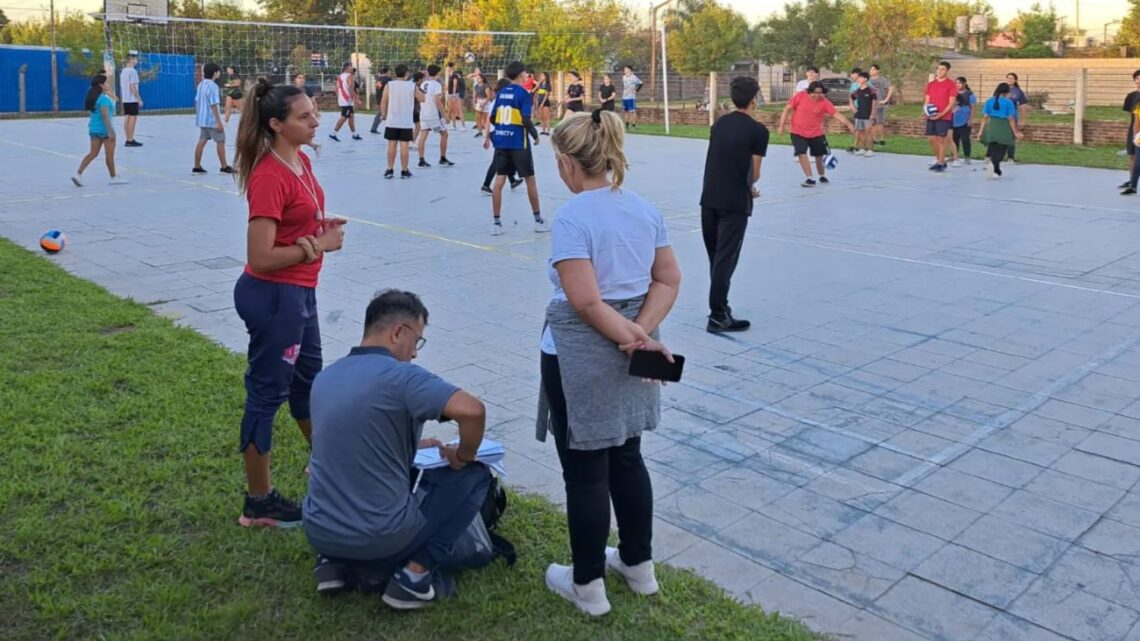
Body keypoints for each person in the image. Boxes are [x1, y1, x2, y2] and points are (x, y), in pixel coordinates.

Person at [539, 107, 681, 617]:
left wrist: (630, 336)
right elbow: (668, 279)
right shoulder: (644, 208)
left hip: (584, 352)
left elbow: (585, 302)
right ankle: (639, 567)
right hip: (637, 344)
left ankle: (588, 587)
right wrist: (642, 332)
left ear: (566, 163)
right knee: (627, 456)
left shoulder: (572, 216)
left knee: (585, 471)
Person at [303, 289, 492, 610]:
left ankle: (332, 565)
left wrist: (414, 444)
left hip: (318, 530)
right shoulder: (401, 376)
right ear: (397, 332)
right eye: (416, 341)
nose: (415, 354)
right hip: (380, 535)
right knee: (475, 475)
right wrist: (463, 456)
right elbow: (472, 411)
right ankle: (414, 577)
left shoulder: (326, 377)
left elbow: (348, 436)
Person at [231, 78, 347, 529]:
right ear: (277, 124)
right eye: (304, 116)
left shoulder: (298, 160)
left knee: (308, 383)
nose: (315, 120)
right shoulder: (268, 175)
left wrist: (318, 226)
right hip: (275, 296)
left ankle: (325, 462)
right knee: (266, 396)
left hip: (299, 293)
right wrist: (317, 246)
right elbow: (260, 256)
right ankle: (258, 502)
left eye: (315, 112)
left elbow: (294, 223)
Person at [699, 76, 766, 334]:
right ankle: (717, 315)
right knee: (726, 261)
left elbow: (721, 159)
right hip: (734, 203)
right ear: (754, 100)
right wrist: (750, 186)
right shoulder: (758, 131)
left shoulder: (719, 124)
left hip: (709, 199)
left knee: (715, 258)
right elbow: (755, 172)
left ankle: (721, 307)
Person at [486, 61, 545, 235]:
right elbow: (526, 120)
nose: (527, 75)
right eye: (525, 72)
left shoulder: (502, 92)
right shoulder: (523, 93)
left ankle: (496, 224)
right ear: (520, 74)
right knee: (530, 180)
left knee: (499, 181)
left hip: (502, 142)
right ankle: (538, 221)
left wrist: (502, 129)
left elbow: (493, 118)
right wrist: (535, 134)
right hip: (518, 142)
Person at [777, 81, 854, 187]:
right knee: (801, 153)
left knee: (819, 155)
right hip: (797, 131)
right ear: (809, 92)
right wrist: (781, 125)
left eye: (820, 93)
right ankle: (809, 178)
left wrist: (849, 124)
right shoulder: (800, 96)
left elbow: (836, 114)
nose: (817, 95)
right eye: (815, 93)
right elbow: (787, 109)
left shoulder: (825, 102)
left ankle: (822, 175)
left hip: (816, 133)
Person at [72, 74, 126, 186]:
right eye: (106, 83)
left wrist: (108, 91)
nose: (108, 84)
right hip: (105, 130)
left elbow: (116, 99)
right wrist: (111, 131)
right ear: (101, 85)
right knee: (109, 156)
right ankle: (114, 178)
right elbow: (105, 116)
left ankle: (78, 174)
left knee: (92, 153)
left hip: (93, 129)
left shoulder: (94, 97)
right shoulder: (104, 100)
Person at [480, 78, 522, 195]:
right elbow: (489, 120)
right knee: (498, 160)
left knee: (506, 156)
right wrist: (486, 137)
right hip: (498, 133)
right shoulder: (499, 101)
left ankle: (512, 180)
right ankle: (486, 185)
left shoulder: (498, 101)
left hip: (499, 133)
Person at [977, 82, 1023, 180]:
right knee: (1002, 148)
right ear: (1006, 92)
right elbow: (1010, 118)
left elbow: (985, 117)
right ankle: (996, 167)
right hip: (1004, 126)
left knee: (993, 147)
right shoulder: (1008, 102)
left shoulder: (989, 101)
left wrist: (981, 131)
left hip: (992, 125)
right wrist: (1015, 132)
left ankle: (994, 166)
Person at [193, 63, 232, 175]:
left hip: (202, 120)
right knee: (220, 140)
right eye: (218, 71)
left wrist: (199, 114)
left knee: (202, 140)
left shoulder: (201, 84)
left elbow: (196, 101)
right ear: (214, 73)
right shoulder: (213, 86)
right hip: (211, 120)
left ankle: (196, 166)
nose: (219, 73)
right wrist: (218, 122)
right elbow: (214, 104)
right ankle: (224, 166)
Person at [381, 64, 419, 180]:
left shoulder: (389, 85)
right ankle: (404, 170)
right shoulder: (412, 86)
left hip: (392, 120)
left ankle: (389, 169)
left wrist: (384, 115)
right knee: (404, 146)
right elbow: (423, 98)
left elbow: (384, 101)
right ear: (406, 73)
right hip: (405, 121)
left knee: (391, 145)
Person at [417, 64, 453, 168]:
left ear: (427, 72)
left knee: (422, 137)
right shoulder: (436, 85)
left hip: (423, 114)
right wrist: (445, 115)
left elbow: (420, 98)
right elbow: (438, 102)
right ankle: (442, 158)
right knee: (444, 134)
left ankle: (421, 159)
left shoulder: (423, 84)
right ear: (437, 74)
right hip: (433, 116)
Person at [924, 61, 957, 172]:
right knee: (931, 139)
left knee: (941, 140)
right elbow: (927, 99)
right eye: (938, 68)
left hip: (944, 116)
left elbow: (951, 102)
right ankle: (939, 160)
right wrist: (925, 111)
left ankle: (941, 162)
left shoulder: (951, 84)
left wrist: (941, 114)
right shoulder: (931, 84)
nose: (939, 71)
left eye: (942, 69)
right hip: (931, 115)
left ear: (947, 71)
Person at [329, 62, 363, 142]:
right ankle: (333, 133)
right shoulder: (349, 76)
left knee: (351, 117)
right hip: (347, 100)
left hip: (343, 100)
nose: (352, 68)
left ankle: (354, 134)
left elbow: (336, 89)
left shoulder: (340, 76)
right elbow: (351, 89)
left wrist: (340, 97)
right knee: (344, 117)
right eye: (351, 67)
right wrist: (357, 99)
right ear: (348, 67)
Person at [950, 76, 976, 167]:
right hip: (953, 119)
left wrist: (970, 119)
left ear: (965, 83)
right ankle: (954, 156)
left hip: (964, 119)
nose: (958, 85)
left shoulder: (970, 94)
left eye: (959, 83)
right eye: (956, 83)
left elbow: (973, 108)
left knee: (965, 139)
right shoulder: (953, 93)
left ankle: (967, 156)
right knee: (953, 139)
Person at [1121, 69, 1140, 192]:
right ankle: (1131, 180)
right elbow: (1133, 116)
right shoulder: (1131, 96)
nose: (1139, 81)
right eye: (1137, 78)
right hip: (1134, 128)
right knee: (1131, 155)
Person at [119, 53, 143, 147]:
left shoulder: (123, 71)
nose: (137, 61)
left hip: (125, 99)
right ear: (131, 59)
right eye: (136, 59)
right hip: (132, 99)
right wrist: (139, 99)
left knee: (126, 118)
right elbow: (132, 86)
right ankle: (130, 139)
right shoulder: (132, 71)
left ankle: (128, 138)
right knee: (132, 119)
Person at [851, 71, 877, 157]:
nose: (858, 79)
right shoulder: (857, 90)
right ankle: (862, 148)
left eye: (860, 78)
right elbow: (851, 97)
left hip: (868, 114)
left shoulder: (871, 90)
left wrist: (873, 113)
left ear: (865, 79)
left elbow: (874, 101)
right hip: (859, 114)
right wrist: (853, 107)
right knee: (861, 131)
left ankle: (870, 150)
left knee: (868, 132)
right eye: (858, 78)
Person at [1005, 72, 1029, 163]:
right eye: (1008, 78)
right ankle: (992, 155)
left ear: (1015, 80)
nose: (1009, 80)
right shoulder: (1002, 89)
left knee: (1011, 137)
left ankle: (1010, 157)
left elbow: (1023, 106)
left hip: (1012, 117)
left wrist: (1023, 120)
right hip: (1001, 117)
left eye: (1011, 78)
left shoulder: (1018, 91)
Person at [868, 64, 892, 146]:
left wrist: (886, 100)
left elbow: (890, 88)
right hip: (870, 105)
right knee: (872, 123)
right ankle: (874, 139)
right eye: (870, 70)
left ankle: (882, 139)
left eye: (873, 69)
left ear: (878, 70)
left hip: (879, 104)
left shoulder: (882, 80)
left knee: (880, 122)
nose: (871, 71)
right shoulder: (868, 81)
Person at [369, 67, 392, 134]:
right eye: (389, 71)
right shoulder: (388, 79)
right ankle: (374, 128)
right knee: (382, 113)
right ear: (387, 72)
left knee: (381, 113)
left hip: (378, 98)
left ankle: (374, 128)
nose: (390, 73)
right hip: (385, 99)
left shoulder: (378, 79)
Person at [447, 64, 467, 131]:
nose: (447, 69)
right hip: (451, 94)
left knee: (459, 110)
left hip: (455, 95)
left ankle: (463, 126)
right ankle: (453, 125)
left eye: (448, 67)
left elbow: (455, 85)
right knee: (452, 110)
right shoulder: (450, 75)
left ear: (451, 68)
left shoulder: (455, 75)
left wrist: (453, 95)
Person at [472, 74, 490, 138]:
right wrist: (474, 103)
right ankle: (480, 132)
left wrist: (484, 104)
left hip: (485, 101)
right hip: (478, 101)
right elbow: (474, 96)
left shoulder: (486, 86)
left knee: (485, 119)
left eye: (478, 78)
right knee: (478, 118)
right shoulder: (476, 86)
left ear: (482, 79)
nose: (477, 79)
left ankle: (486, 132)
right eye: (477, 78)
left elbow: (488, 96)